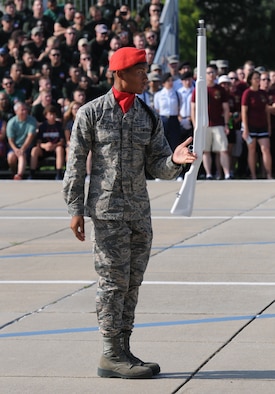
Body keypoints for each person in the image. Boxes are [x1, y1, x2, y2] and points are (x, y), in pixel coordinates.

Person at [63, 47, 197, 379]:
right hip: (107, 214)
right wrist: (75, 209)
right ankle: (110, 354)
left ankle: (123, 350)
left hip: (139, 214)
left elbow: (159, 165)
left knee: (131, 284)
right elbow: (76, 165)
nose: (145, 76)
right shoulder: (91, 113)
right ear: (120, 73)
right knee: (112, 283)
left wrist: (176, 162)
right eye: (139, 71)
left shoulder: (147, 115)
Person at [191, 64, 232, 180]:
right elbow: (193, 107)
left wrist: (226, 124)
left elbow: (226, 108)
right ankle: (209, 174)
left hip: (218, 123)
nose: (211, 75)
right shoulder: (199, 89)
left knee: (223, 149)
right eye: (208, 72)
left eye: (213, 72)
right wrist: (195, 125)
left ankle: (227, 173)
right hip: (204, 124)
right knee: (206, 151)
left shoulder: (220, 89)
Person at [241, 70, 272, 179]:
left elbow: (266, 110)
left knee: (266, 149)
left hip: (262, 125)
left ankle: (269, 174)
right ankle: (253, 175)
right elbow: (244, 111)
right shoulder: (247, 93)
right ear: (250, 80)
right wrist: (245, 128)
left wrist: (268, 126)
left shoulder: (263, 93)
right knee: (252, 150)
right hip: (251, 126)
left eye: (259, 78)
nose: (258, 80)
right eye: (255, 78)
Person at [29, 104, 65, 180]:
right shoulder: (42, 127)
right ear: (46, 116)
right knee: (34, 150)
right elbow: (38, 142)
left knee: (60, 149)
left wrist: (54, 145)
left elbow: (62, 141)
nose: (52, 116)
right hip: (44, 149)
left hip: (55, 148)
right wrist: (44, 146)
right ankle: (32, 174)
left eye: (54, 114)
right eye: (50, 114)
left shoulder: (59, 126)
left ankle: (59, 174)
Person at [6, 101, 37, 179]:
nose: (25, 111)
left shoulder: (32, 120)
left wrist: (22, 149)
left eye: (25, 109)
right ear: (16, 111)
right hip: (15, 146)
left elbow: (30, 137)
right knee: (11, 157)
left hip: (28, 146)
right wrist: (15, 149)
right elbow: (10, 139)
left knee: (21, 155)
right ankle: (14, 172)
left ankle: (19, 175)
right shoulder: (11, 123)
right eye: (22, 110)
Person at [153, 72, 182, 152]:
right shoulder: (158, 95)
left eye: (171, 80)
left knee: (175, 141)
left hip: (174, 119)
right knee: (163, 141)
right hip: (163, 119)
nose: (170, 83)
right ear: (163, 83)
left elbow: (179, 106)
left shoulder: (177, 94)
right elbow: (157, 108)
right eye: (168, 81)